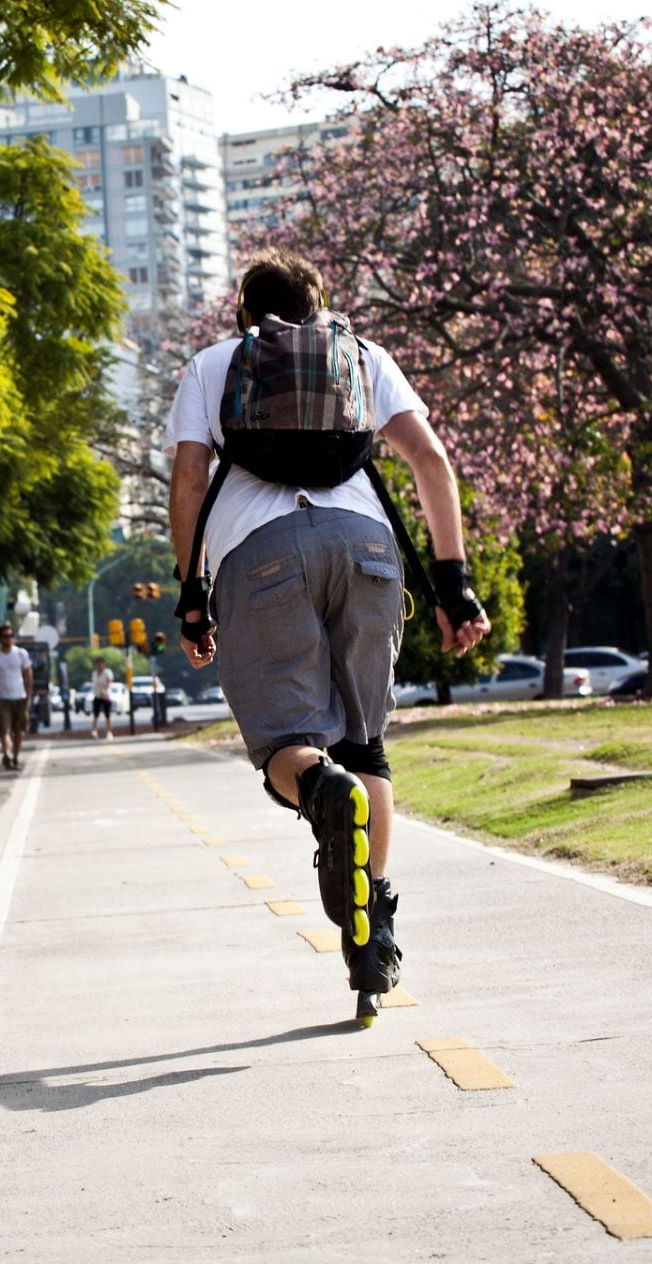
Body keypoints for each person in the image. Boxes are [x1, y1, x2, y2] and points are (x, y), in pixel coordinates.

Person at [168, 247, 490, 1015]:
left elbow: (188, 480)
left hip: (260, 556)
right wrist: (452, 581)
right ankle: (373, 932)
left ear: (244, 314)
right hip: (368, 549)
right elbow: (430, 459)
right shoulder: (364, 356)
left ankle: (320, 790)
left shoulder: (214, 365)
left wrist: (192, 592)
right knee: (365, 743)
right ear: (318, 308)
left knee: (288, 743)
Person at [0, 622, 35, 770]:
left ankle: (15, 757)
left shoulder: (21, 653)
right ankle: (6, 754)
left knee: (19, 730)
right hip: (3, 698)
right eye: (5, 636)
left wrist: (28, 695)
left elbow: (28, 675)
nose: (8, 639)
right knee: (4, 729)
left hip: (20, 696)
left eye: (10, 636)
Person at [89, 656, 115, 739]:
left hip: (106, 696)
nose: (99, 665)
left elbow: (109, 681)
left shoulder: (107, 672)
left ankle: (109, 732)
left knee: (107, 716)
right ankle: (95, 731)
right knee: (95, 715)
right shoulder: (94, 673)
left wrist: (105, 689)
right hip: (97, 696)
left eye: (101, 663)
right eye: (97, 664)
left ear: (104, 664)